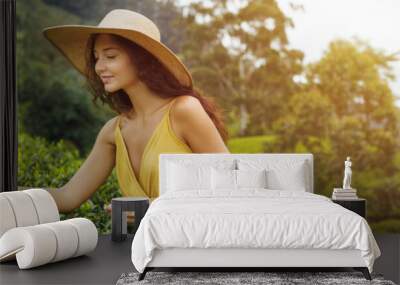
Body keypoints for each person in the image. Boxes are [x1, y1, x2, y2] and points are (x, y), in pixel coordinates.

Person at [41, 9, 230, 215]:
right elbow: (67, 197)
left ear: (142, 59)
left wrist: (149, 209)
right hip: (137, 247)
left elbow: (233, 185)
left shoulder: (183, 111)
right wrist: (8, 193)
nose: (99, 67)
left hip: (194, 243)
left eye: (110, 56)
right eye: (96, 58)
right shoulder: (113, 132)